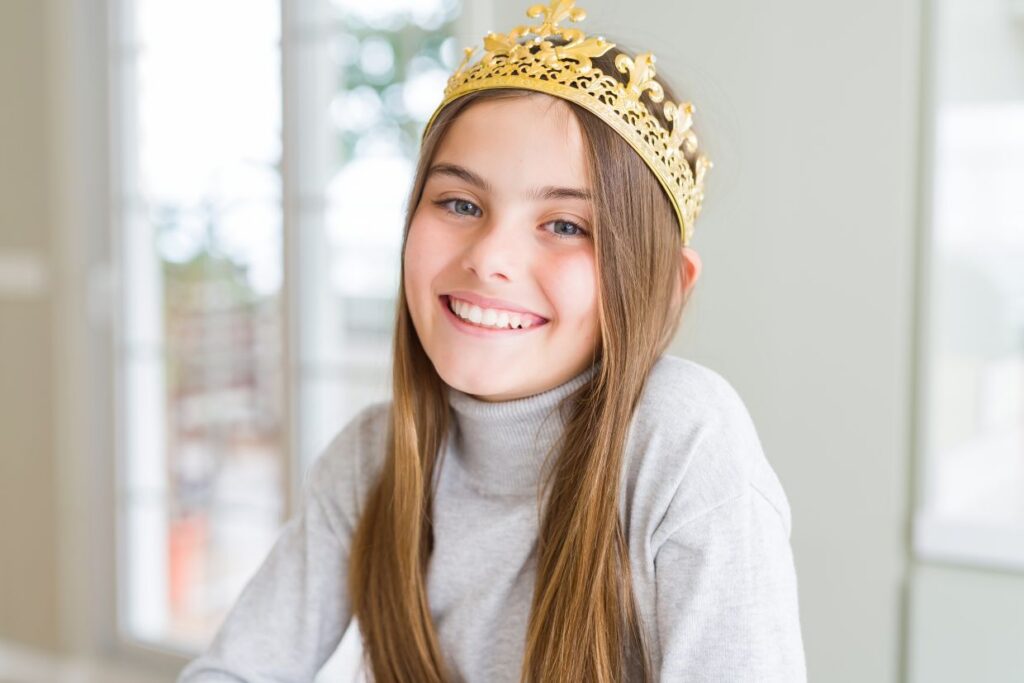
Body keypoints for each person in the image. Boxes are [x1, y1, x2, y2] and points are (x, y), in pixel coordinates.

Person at [177, 1, 807, 681]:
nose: (490, 257)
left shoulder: (682, 438)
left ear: (666, 285)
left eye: (566, 225)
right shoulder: (372, 458)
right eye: (460, 204)